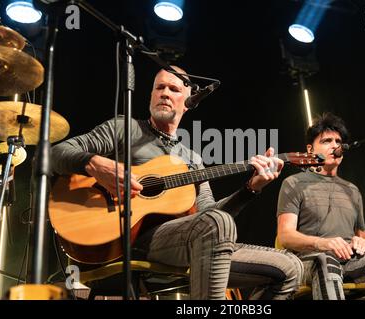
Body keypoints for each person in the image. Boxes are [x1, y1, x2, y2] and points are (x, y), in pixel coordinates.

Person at [51, 66, 303, 300]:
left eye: (174, 89)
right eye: (159, 87)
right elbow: (51, 154)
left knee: (291, 266)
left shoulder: (192, 159)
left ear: (188, 102)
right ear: (150, 95)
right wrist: (94, 163)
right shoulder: (123, 128)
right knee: (218, 224)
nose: (165, 94)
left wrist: (251, 188)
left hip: (181, 243)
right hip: (127, 239)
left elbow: (209, 216)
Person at [276, 112, 365, 300]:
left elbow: (363, 237)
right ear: (310, 149)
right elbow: (285, 236)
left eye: (338, 141)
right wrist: (322, 243)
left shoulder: (352, 190)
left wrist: (363, 243)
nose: (335, 146)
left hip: (348, 264)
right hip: (309, 263)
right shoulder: (294, 183)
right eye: (326, 141)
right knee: (327, 260)